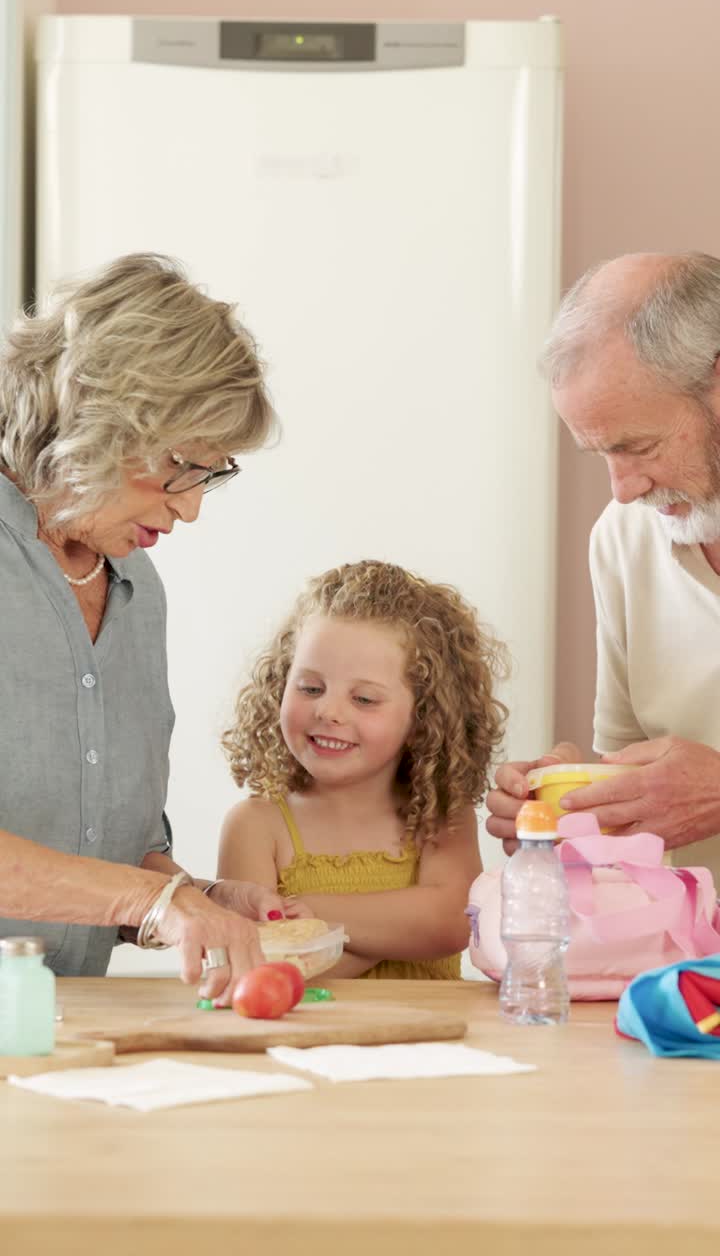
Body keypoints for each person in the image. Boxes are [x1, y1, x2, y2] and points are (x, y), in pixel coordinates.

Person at [0, 251, 288, 1005]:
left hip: (56, 1028)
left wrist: (192, 900)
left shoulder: (136, 589)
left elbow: (109, 850)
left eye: (209, 474)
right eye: (179, 467)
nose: (190, 507)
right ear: (99, 416)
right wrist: (149, 901)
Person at [487, 251, 720, 877]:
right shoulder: (624, 538)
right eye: (601, 453)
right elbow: (630, 765)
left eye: (637, 446)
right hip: (688, 954)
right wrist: (577, 797)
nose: (622, 489)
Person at [218, 559, 508, 978]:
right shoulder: (256, 825)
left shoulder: (440, 814)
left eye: (365, 699)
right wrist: (395, 930)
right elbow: (256, 967)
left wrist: (313, 915)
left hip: (432, 1041)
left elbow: (449, 922)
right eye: (310, 688)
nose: (328, 711)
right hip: (300, 1042)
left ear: (424, 716)